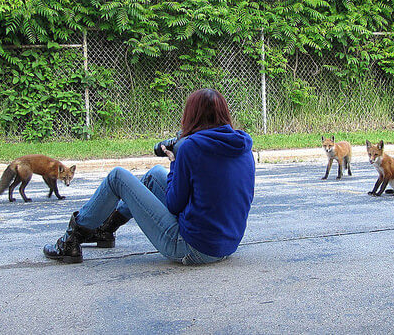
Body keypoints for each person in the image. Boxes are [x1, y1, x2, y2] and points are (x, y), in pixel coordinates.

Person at [43, 88, 255, 265]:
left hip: (193, 247)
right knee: (154, 174)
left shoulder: (190, 148)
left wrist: (174, 163)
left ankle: (70, 241)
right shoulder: (243, 146)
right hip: (227, 244)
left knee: (118, 177)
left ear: (192, 116)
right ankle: (105, 230)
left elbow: (174, 204)